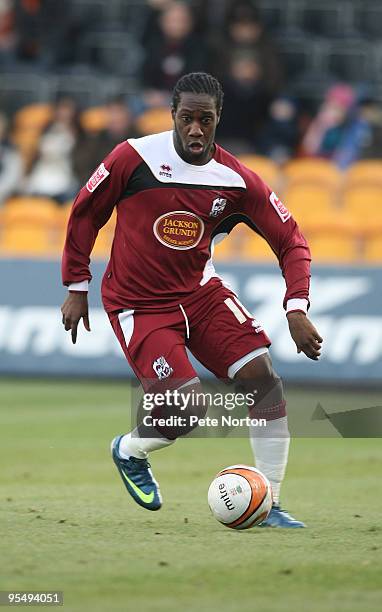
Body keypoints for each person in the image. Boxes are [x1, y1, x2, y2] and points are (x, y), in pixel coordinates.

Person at [61, 72, 322, 528]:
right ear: (173, 117)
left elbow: (291, 240)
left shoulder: (235, 179)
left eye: (206, 119)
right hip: (138, 303)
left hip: (200, 294)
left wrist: (296, 306)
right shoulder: (133, 157)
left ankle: (269, 503)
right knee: (186, 408)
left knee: (264, 381)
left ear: (218, 118)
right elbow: (86, 214)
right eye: (187, 119)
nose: (196, 129)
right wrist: (76, 287)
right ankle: (129, 449)